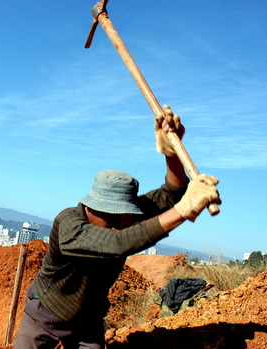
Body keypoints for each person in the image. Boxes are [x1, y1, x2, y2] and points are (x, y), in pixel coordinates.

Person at [13, 105, 221, 349]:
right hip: (46, 310)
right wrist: (184, 210)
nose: (120, 226)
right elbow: (114, 244)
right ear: (91, 208)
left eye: (126, 218)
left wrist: (171, 150)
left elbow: (172, 192)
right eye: (111, 219)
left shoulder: (126, 216)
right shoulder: (69, 224)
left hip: (87, 319)